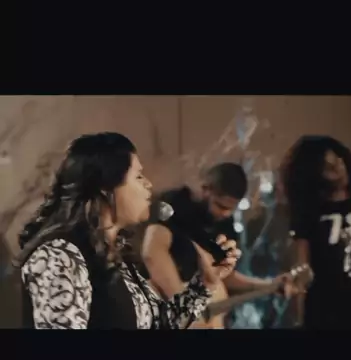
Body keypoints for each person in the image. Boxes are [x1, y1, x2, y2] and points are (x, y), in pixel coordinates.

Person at [16, 133, 240, 329]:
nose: (148, 184)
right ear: (106, 188)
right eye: (138, 176)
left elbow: (159, 325)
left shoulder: (114, 256)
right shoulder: (62, 255)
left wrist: (205, 284)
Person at [141, 162, 294, 329]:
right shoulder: (176, 204)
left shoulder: (226, 226)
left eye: (231, 209)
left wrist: (269, 285)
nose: (225, 213)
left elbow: (224, 276)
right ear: (206, 189)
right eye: (220, 206)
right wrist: (185, 308)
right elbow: (153, 253)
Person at [282, 135, 351, 330]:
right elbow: (303, 265)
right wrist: (299, 316)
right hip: (323, 310)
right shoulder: (309, 211)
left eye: (339, 160)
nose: (339, 169)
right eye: (329, 168)